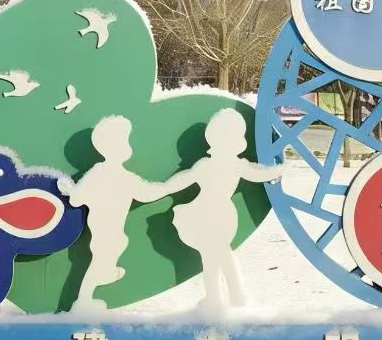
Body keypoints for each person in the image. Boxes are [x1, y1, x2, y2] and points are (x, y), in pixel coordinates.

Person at [166, 107, 282, 310]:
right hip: (217, 214)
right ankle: (233, 297)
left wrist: (161, 188)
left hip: (210, 214)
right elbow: (257, 174)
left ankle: (217, 299)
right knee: (222, 255)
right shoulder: (230, 164)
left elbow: (182, 179)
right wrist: (276, 171)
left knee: (212, 258)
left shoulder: (211, 164)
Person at [58, 115, 176, 311]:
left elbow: (146, 192)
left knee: (115, 248)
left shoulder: (111, 175)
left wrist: (167, 188)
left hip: (112, 231)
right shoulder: (107, 175)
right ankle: (83, 301)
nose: (125, 145)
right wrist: (168, 188)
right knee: (99, 262)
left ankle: (105, 275)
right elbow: (77, 199)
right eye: (122, 141)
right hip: (103, 229)